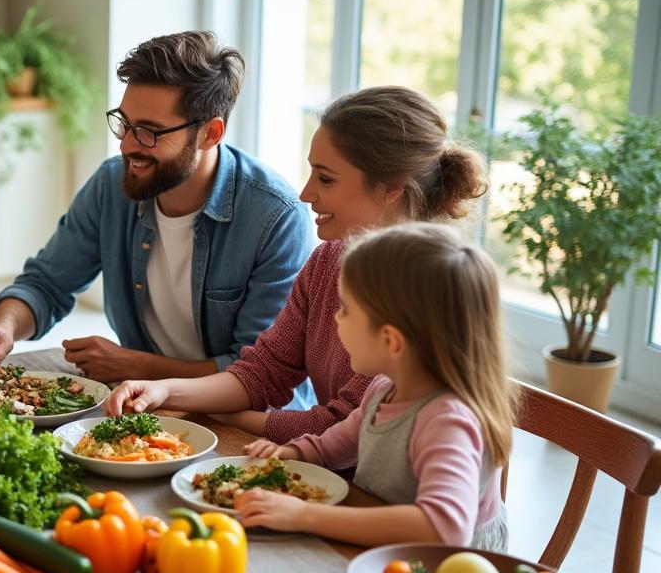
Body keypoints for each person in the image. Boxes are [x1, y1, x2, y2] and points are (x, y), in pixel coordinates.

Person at [106, 86, 489, 441]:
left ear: (392, 190)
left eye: (325, 179)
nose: (305, 193)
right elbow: (264, 369)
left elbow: (347, 425)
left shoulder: (423, 297)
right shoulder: (327, 261)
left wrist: (231, 418)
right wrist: (163, 390)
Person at [0, 31, 311, 384]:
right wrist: (4, 325)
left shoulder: (276, 218)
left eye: (149, 132)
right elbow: (47, 284)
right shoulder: (111, 184)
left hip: (247, 415)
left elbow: (258, 374)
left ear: (210, 134)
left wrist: (138, 367)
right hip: (144, 402)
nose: (126, 145)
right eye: (125, 123)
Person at [233, 222, 516, 549]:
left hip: (447, 571)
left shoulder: (448, 420)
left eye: (345, 309)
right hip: (387, 553)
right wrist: (293, 452)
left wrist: (304, 515)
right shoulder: (384, 389)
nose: (336, 318)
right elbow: (332, 447)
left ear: (391, 341)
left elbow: (443, 529)